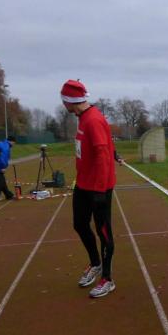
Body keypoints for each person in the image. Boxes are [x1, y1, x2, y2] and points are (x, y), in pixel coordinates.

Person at [61, 79, 117, 298]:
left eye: (63, 100)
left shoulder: (93, 119)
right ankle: (96, 264)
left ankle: (107, 279)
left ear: (69, 101)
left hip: (98, 188)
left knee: (104, 232)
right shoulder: (82, 118)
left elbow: (103, 154)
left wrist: (100, 191)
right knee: (80, 224)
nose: (63, 104)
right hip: (83, 184)